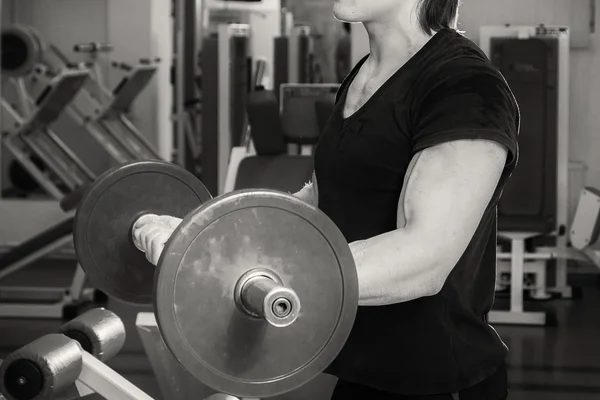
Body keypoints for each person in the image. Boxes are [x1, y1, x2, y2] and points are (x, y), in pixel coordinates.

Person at [133, 0, 520, 398]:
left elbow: (423, 259)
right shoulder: (365, 75)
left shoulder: (465, 85)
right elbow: (319, 201)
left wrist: (258, 271)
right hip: (357, 371)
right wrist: (203, 239)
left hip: (434, 378)